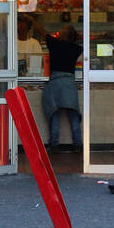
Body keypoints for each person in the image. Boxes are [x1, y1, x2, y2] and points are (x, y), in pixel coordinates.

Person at [32, 16, 82, 151]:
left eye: (62, 30)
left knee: (54, 115)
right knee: (73, 116)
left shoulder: (54, 44)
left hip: (55, 82)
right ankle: (78, 145)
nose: (59, 32)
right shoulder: (77, 49)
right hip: (69, 83)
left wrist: (32, 19)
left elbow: (42, 31)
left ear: (66, 35)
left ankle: (54, 145)